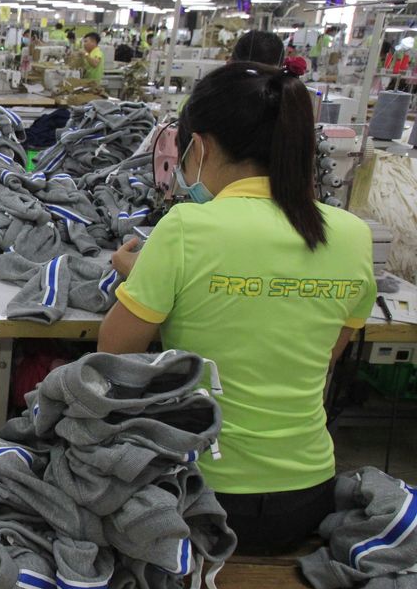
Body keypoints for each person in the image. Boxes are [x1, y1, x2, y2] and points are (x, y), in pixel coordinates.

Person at [98, 63, 375, 555]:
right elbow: (324, 355)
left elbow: (114, 359)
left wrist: (141, 276)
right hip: (306, 498)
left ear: (200, 146)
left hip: (200, 497)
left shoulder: (186, 227)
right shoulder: (352, 235)